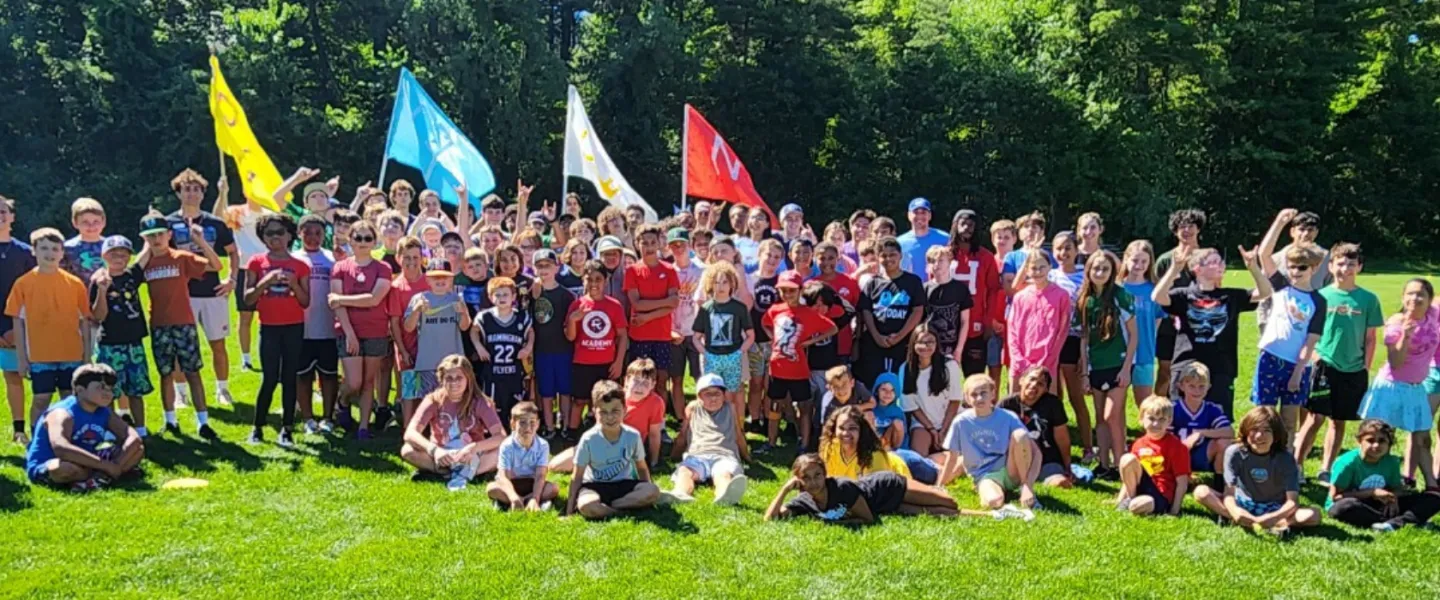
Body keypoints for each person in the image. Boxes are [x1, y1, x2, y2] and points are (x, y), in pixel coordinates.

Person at [1153, 243, 1273, 418]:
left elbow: (1265, 292)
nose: (1220, 265)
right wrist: (1174, 269)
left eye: (1221, 262)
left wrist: (1253, 268)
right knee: (1178, 418)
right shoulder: (1183, 295)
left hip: (1221, 367)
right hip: (1186, 365)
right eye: (1213, 262)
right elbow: (1158, 297)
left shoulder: (1231, 296)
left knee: (1219, 418)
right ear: (1197, 269)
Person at [1296, 243, 1382, 483]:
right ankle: (1297, 465)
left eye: (1351, 264)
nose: (1346, 268)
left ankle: (1326, 468)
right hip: (1324, 364)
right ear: (1331, 266)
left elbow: (1371, 337)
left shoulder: (1368, 299)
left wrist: (1365, 366)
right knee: (1315, 418)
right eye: (1341, 263)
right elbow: (1308, 332)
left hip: (1353, 369)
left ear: (1360, 267)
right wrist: (1315, 357)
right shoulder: (1321, 296)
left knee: (1339, 420)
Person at [133, 213, 222, 440]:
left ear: (169, 235)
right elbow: (129, 277)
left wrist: (200, 242)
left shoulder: (181, 257)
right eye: (150, 236)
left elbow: (216, 265)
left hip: (184, 322)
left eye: (160, 234)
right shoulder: (145, 263)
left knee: (192, 371)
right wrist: (144, 252)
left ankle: (203, 421)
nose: (156, 240)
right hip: (159, 324)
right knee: (166, 373)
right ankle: (170, 419)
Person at [1252, 209, 1327, 460]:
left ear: (1314, 268)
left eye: (1302, 267)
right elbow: (1263, 254)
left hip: (1297, 366)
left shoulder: (1318, 300)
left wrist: (1298, 372)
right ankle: (1259, 459)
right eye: (1293, 267)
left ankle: (1285, 463)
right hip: (1270, 358)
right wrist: (1280, 222)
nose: (1296, 271)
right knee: (1263, 414)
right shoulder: (1281, 287)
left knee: (1288, 420)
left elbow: (1311, 340)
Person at [6, 227, 92, 439]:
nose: (50, 253)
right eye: (44, 248)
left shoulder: (75, 284)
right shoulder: (23, 284)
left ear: (62, 253)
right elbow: (18, 322)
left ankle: (71, 438)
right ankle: (38, 440)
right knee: (41, 399)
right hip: (40, 355)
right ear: (33, 251)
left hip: (71, 353)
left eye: (55, 249)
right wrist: (22, 359)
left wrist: (87, 355)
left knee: (70, 398)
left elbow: (84, 322)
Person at [167, 168, 240, 409]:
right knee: (181, 347)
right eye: (186, 189)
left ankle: (223, 389)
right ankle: (181, 394)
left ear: (203, 193)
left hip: (212, 292)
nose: (191, 194)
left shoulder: (215, 223)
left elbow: (232, 252)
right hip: (181, 293)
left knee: (217, 344)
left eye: (196, 189)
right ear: (179, 193)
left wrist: (232, 280)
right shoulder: (168, 223)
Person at [1358, 278, 1440, 489]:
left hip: (1415, 388)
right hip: (1391, 387)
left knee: (1422, 437)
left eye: (1421, 294)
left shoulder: (1432, 314)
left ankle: (1431, 487)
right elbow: (1395, 362)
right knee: (1379, 438)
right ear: (1403, 297)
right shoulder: (1396, 322)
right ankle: (1371, 482)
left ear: (1429, 299)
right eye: (1410, 294)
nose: (1415, 298)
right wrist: (1405, 335)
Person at [1195, 407, 1322, 537]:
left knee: (1314, 515)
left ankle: (1271, 522)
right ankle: (1241, 519)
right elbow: (1229, 493)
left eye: (1266, 431)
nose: (1259, 436)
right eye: (1254, 430)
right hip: (1242, 503)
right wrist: (1235, 511)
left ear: (1276, 435)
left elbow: (1293, 501)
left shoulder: (1286, 458)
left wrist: (1273, 517)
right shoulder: (1234, 452)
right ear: (1245, 431)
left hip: (1274, 506)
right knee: (1201, 492)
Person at [242, 213, 311, 447]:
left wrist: (292, 283)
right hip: (269, 327)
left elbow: (305, 301)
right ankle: (258, 426)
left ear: (290, 235)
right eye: (269, 233)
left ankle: (288, 428)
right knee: (269, 377)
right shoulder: (255, 262)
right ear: (263, 237)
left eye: (280, 232)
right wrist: (265, 282)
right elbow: (248, 299)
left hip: (293, 326)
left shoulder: (300, 266)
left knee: (290, 377)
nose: (275, 237)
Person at [25, 364, 143, 490]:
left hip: (88, 459)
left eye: (110, 389)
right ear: (80, 390)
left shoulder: (103, 411)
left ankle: (98, 477)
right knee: (61, 469)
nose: (107, 393)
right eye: (101, 388)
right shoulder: (63, 412)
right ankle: (101, 477)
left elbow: (132, 436)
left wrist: (116, 465)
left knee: (137, 449)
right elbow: (61, 448)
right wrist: (104, 465)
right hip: (54, 461)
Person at [327, 219, 393, 440]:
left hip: (376, 330)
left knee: (368, 382)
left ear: (375, 242)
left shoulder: (383, 268)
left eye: (368, 238)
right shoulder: (340, 267)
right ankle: (342, 401)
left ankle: (364, 427)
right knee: (353, 381)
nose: (363, 242)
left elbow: (374, 299)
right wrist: (349, 333)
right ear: (350, 240)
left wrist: (342, 298)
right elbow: (337, 307)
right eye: (358, 238)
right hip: (348, 331)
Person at [764, 454, 970, 523]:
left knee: (949, 503)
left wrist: (840, 523)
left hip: (887, 486)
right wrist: (784, 490)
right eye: (806, 478)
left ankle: (943, 483)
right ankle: (988, 515)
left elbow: (868, 519)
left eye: (818, 475)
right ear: (799, 481)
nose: (814, 482)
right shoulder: (805, 501)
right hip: (885, 507)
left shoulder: (841, 488)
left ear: (825, 475)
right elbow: (770, 519)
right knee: (938, 514)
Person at [400, 354, 504, 491]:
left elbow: (501, 436)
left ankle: (454, 472)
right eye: (449, 378)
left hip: (472, 455)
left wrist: (473, 448)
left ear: (468, 379)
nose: (454, 383)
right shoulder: (433, 400)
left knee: (504, 451)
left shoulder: (480, 402)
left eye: (459, 378)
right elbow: (410, 433)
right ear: (441, 380)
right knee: (407, 450)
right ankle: (452, 472)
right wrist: (434, 450)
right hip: (442, 455)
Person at [761, 271, 838, 452]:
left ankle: (804, 443)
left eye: (792, 291)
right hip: (776, 368)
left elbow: (832, 328)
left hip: (799, 370)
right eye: (783, 291)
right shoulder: (775, 310)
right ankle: (771, 442)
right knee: (775, 405)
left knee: (804, 407)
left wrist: (810, 341)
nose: (787, 294)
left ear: (800, 290)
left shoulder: (808, 313)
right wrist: (773, 338)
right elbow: (765, 322)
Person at [1077, 251, 1137, 476]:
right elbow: (1083, 339)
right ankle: (1104, 464)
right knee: (1100, 416)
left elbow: (1133, 335)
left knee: (1113, 415)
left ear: (1113, 272)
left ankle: (1121, 462)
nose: (1100, 273)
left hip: (1118, 364)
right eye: (1096, 269)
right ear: (1089, 271)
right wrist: (1084, 373)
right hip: (1095, 366)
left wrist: (1126, 368)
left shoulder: (1121, 296)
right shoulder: (1084, 299)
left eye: (1105, 269)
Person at [565, 381, 661, 519]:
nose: (610, 417)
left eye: (615, 411)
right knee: (586, 506)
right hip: (595, 485)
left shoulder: (633, 436)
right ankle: (619, 512)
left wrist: (649, 497)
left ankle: (610, 507)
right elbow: (577, 476)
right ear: (594, 412)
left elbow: (642, 468)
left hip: (623, 484)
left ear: (625, 410)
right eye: (603, 412)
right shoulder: (588, 439)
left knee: (653, 490)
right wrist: (569, 511)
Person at [88, 236, 153, 438]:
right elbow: (98, 316)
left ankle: (141, 430)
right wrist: (102, 290)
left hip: (134, 342)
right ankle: (112, 431)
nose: (119, 257)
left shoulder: (132, 275)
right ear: (104, 256)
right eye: (113, 253)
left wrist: (147, 236)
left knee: (136, 390)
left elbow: (145, 254)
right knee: (109, 391)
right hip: (109, 344)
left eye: (123, 253)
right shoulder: (98, 281)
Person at [942, 374, 1040, 509]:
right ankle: (996, 490)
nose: (979, 398)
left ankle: (1025, 489)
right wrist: (939, 486)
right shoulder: (961, 422)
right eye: (974, 395)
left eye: (983, 393)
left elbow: (1036, 453)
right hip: (984, 474)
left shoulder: (1008, 417)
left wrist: (1028, 485)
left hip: (1011, 468)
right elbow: (952, 457)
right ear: (967, 398)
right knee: (993, 503)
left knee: (1020, 435)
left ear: (993, 393)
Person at [1327, 420, 1440, 532]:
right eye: (1370, 440)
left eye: (1382, 441)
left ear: (1389, 444)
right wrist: (1372, 492)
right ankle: (1402, 521)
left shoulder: (1391, 462)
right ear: (1359, 441)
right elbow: (1336, 497)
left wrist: (1392, 498)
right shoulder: (1347, 463)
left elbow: (1398, 489)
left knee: (1434, 498)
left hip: (1382, 503)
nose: (1376, 445)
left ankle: (1393, 524)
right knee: (1344, 507)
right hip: (1356, 503)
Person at [662, 373, 751, 506]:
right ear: (699, 397)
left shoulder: (730, 408)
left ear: (724, 395)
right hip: (697, 454)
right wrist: (675, 455)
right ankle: (681, 493)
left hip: (724, 455)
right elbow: (683, 435)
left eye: (717, 393)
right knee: (685, 472)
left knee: (723, 474)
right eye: (708, 394)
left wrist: (747, 457)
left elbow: (738, 434)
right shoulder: (693, 408)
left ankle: (724, 495)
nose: (713, 398)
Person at [564, 260, 630, 440]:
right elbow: (570, 337)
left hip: (607, 362)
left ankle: (609, 433)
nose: (594, 284)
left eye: (598, 279)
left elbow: (622, 335)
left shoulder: (614, 305)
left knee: (608, 400)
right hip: (582, 361)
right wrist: (573, 320)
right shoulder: (577, 305)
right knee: (579, 400)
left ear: (605, 281)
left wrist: (618, 362)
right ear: (583, 280)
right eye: (589, 279)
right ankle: (572, 434)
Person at [404, 255, 472, 419]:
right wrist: (417, 311)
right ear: (428, 280)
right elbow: (408, 327)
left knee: (454, 399)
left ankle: (452, 433)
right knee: (428, 402)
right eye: (436, 277)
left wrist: (463, 312)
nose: (440, 280)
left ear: (451, 279)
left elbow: (465, 326)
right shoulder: (419, 299)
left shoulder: (456, 299)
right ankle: (427, 434)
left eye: (445, 277)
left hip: (453, 361)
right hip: (427, 361)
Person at [856, 237, 926, 387]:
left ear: (900, 255)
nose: (888, 259)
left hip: (903, 342)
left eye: (892, 255)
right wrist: (877, 336)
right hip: (875, 342)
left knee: (901, 383)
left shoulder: (913, 281)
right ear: (878, 258)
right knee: (875, 383)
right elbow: (866, 311)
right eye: (883, 255)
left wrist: (900, 335)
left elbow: (918, 310)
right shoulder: (872, 283)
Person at [624, 224, 679, 410]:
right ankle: (637, 414)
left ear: (659, 244)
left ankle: (659, 420)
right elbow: (637, 304)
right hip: (640, 335)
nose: (648, 246)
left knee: (661, 379)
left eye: (652, 242)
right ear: (637, 244)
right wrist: (665, 302)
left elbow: (674, 303)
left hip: (662, 335)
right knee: (638, 379)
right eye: (644, 242)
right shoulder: (632, 271)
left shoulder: (669, 270)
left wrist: (648, 317)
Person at [1153, 208, 1206, 398]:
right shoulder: (1165, 260)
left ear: (1198, 229)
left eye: (1191, 226)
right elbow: (1158, 294)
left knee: (1195, 373)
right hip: (1168, 326)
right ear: (1175, 231)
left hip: (1198, 324)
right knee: (1166, 372)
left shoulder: (1208, 257)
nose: (1186, 230)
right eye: (1182, 226)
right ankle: (1158, 411)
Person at [294, 215, 339, 433]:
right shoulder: (294, 259)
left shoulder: (332, 259)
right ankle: (308, 418)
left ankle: (328, 418)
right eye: (308, 232)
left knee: (329, 375)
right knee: (303, 375)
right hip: (301, 328)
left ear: (324, 235)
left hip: (328, 327)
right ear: (299, 233)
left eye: (318, 233)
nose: (313, 237)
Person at [1006, 250, 1071, 397]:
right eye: (1033, 268)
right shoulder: (1020, 297)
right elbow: (1012, 331)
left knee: (1046, 405)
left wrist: (1048, 359)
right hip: (1020, 361)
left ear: (1049, 267)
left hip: (1047, 360)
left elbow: (1062, 331)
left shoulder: (1061, 295)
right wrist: (1019, 360)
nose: (1038, 272)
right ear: (1027, 270)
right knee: (1017, 404)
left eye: (1042, 267)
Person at [693, 261, 754, 413]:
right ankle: (714, 425)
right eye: (717, 282)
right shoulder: (706, 308)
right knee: (712, 393)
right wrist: (705, 353)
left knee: (731, 395)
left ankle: (734, 428)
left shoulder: (739, 308)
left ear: (732, 283)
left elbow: (750, 335)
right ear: (710, 283)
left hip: (733, 356)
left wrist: (739, 352)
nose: (721, 286)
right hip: (712, 357)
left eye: (725, 282)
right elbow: (696, 337)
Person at [996, 366, 1072, 488]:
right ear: (1021, 380)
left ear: (1046, 390)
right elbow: (995, 433)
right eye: (1031, 379)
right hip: (1014, 459)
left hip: (1046, 460)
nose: (1034, 385)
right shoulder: (1006, 404)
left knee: (1060, 483)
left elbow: (1062, 438)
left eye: (1041, 384)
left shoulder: (1053, 404)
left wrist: (1067, 466)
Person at [949, 209, 1003, 379]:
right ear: (955, 226)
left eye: (971, 225)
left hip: (976, 324)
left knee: (974, 376)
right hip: (948, 324)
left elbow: (993, 290)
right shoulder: (944, 254)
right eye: (962, 223)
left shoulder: (985, 257)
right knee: (946, 376)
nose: (966, 228)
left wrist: (988, 322)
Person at [472, 276, 533, 425]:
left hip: (514, 373)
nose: (502, 298)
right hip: (493, 374)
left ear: (513, 296)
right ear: (490, 297)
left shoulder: (521, 316)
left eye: (505, 294)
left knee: (515, 410)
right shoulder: (484, 317)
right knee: (493, 410)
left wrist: (528, 347)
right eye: (497, 295)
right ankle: (493, 438)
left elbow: (531, 332)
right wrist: (479, 347)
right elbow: (474, 330)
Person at [0, 196, 36, 444]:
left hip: (16, 328)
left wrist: (16, 329)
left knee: (14, 377)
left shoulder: (25, 252)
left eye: (3, 211)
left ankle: (20, 430)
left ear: (12, 216)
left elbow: (32, 294)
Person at [1117, 396, 1190, 517]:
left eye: (1161, 419)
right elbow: (1129, 477)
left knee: (1140, 505)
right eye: (1151, 418)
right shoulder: (1138, 443)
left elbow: (1182, 483)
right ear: (1141, 419)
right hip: (1142, 486)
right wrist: (1119, 500)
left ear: (1169, 421)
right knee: (1127, 459)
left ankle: (1134, 504)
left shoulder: (1177, 447)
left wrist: (1174, 511)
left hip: (1161, 494)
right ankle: (1129, 499)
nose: (1156, 424)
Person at [901, 324, 963, 462]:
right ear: (913, 344)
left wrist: (944, 429)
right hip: (923, 423)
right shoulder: (906, 369)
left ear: (937, 344)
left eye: (930, 342)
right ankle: (936, 460)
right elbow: (912, 407)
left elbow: (955, 401)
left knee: (962, 455)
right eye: (921, 342)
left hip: (950, 419)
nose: (926, 346)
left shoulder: (950, 365)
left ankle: (939, 459)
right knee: (917, 460)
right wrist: (932, 430)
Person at [530, 249, 575, 437]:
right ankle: (549, 426)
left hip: (563, 349)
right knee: (546, 392)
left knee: (565, 390)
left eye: (548, 265)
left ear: (557, 267)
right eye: (539, 266)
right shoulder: (532, 293)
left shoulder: (566, 295)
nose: (544, 269)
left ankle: (564, 424)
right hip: (542, 350)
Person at [387, 237, 430, 428]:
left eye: (415, 257)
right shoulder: (396, 287)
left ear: (422, 258)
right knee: (409, 388)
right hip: (407, 344)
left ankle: (427, 429)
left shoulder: (430, 282)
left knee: (428, 388)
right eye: (407, 258)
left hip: (430, 343)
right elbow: (394, 322)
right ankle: (407, 429)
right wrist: (402, 350)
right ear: (398, 258)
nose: (411, 262)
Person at [487, 401, 559, 511]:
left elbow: (540, 475)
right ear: (513, 424)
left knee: (553, 489)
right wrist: (513, 496)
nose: (528, 427)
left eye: (532, 422)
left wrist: (535, 497)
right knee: (491, 488)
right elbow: (503, 476)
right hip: (511, 483)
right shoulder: (507, 445)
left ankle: (530, 501)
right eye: (522, 422)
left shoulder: (543, 445)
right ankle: (518, 501)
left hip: (532, 483)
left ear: (538, 424)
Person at [746, 239, 786, 430]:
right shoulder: (749, 279)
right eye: (768, 255)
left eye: (776, 257)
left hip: (774, 340)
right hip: (755, 338)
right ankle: (754, 418)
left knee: (771, 384)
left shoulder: (781, 282)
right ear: (759, 254)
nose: (771, 259)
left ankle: (769, 416)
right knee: (756, 381)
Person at [1171, 362, 1234, 478]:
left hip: (1202, 453)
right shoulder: (1172, 408)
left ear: (1208, 387)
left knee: (1225, 442)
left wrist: (1201, 433)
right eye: (1191, 386)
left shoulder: (1212, 409)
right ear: (1181, 386)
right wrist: (1182, 447)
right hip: (1176, 454)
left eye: (1201, 386)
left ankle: (1219, 481)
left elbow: (1229, 431)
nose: (1197, 391)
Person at [666, 228, 704, 420]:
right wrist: (671, 329)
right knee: (676, 378)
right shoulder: (667, 271)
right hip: (675, 332)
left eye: (682, 244)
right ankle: (681, 419)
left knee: (700, 377)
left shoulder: (702, 271)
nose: (679, 248)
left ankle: (702, 415)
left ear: (689, 245)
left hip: (696, 332)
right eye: (674, 245)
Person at [1118, 240, 1161, 402]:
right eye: (1135, 260)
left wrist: (1150, 337)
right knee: (1118, 402)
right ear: (1126, 259)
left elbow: (1158, 317)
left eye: (1144, 261)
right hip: (1119, 354)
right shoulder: (1118, 288)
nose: (1139, 265)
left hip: (1144, 352)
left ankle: (1149, 428)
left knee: (1144, 403)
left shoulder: (1154, 290)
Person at [924, 246, 973, 364]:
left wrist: (959, 350)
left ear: (950, 263)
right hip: (929, 347)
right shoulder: (924, 289)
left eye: (941, 260)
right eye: (932, 261)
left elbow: (965, 322)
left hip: (952, 347)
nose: (937, 264)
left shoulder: (961, 289)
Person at [898, 198, 949, 282]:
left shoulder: (944, 239)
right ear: (909, 215)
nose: (920, 216)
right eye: (916, 212)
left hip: (937, 289)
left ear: (930, 215)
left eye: (923, 212)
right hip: (910, 291)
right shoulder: (899, 243)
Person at [871, 372, 907, 452]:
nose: (888, 393)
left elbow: (902, 434)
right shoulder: (871, 409)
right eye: (884, 389)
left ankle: (890, 453)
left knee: (897, 423)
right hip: (874, 445)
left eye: (892, 390)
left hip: (894, 447)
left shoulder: (898, 412)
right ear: (877, 391)